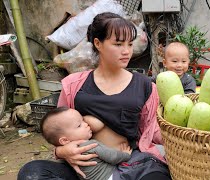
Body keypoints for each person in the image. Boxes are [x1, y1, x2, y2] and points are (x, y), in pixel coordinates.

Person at [18, 12, 171, 180]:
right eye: (118, 44)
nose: (127, 51)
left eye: (129, 44)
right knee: (32, 173)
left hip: (131, 162)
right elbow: (59, 128)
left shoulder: (145, 85)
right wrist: (61, 151)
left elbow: (154, 130)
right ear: (98, 43)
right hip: (87, 165)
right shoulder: (74, 84)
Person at [40, 107, 132, 180]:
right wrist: (125, 155)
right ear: (64, 140)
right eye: (79, 125)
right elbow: (113, 157)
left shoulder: (69, 153)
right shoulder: (90, 146)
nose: (86, 124)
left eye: (83, 120)